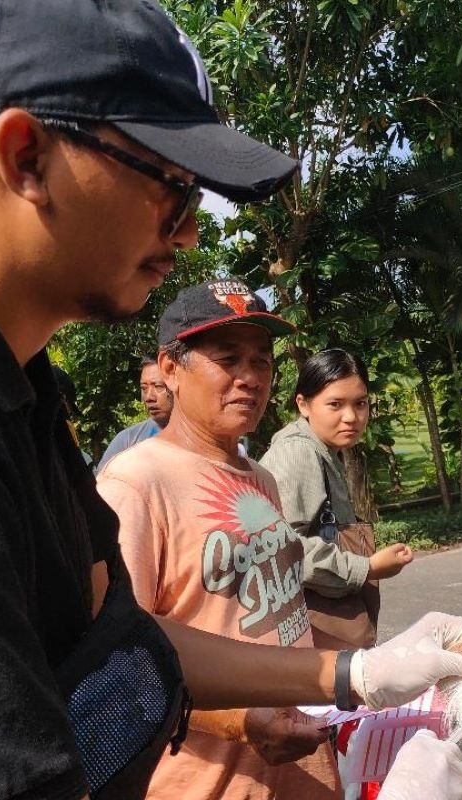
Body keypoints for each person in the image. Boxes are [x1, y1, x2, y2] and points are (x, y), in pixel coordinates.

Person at [0, 1, 462, 797]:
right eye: (172, 186)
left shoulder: (7, 385)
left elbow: (123, 642)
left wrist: (355, 673)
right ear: (26, 156)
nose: (189, 233)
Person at [99, 281, 346, 798]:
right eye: (228, 358)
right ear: (171, 369)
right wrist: (242, 720)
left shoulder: (261, 478)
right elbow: (122, 660)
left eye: (262, 361)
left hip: (303, 771)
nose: (250, 378)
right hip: (206, 781)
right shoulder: (135, 483)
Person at [260, 349, 413, 649]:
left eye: (360, 403)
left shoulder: (323, 451)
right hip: (307, 639)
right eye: (335, 404)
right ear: (303, 404)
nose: (351, 417)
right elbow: (281, 550)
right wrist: (367, 568)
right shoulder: (298, 453)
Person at [97, 355, 174, 472]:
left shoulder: (203, 438)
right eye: (144, 388)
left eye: (158, 386)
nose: (149, 397)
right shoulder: (127, 441)